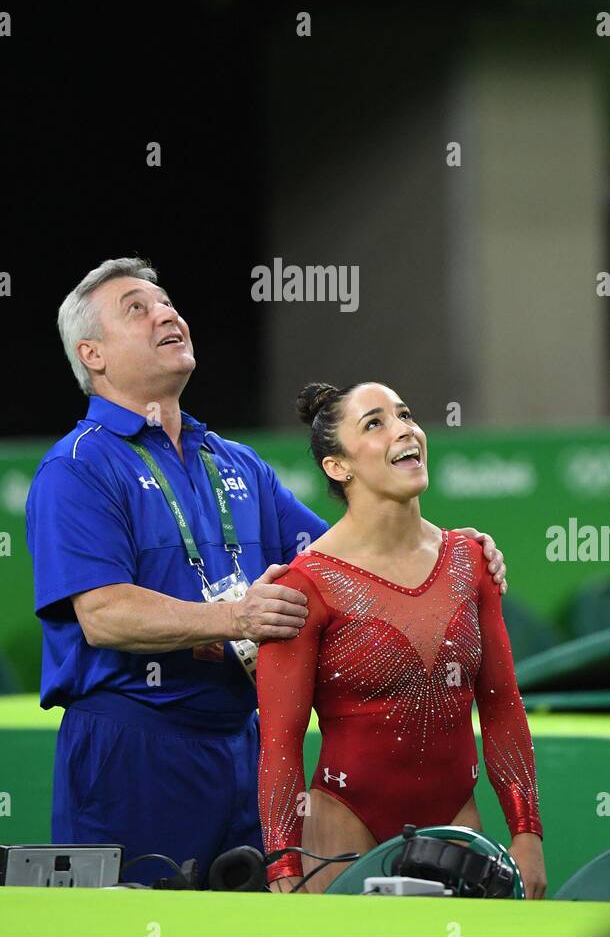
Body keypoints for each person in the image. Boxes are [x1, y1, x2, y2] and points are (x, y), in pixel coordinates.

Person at [26, 258, 508, 887]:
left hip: (245, 742)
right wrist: (237, 617)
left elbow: (343, 558)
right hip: (136, 747)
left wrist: (448, 554)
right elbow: (103, 614)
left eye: (167, 302)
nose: (166, 314)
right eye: (137, 309)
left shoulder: (236, 462)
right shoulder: (77, 468)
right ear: (92, 354)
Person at [257, 381, 546, 898]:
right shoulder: (303, 587)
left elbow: (502, 707)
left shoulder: (470, 560)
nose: (405, 429)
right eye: (375, 423)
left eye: (405, 415)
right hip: (345, 826)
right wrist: (282, 866)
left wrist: (527, 834)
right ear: (337, 466)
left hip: (456, 823)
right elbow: (280, 742)